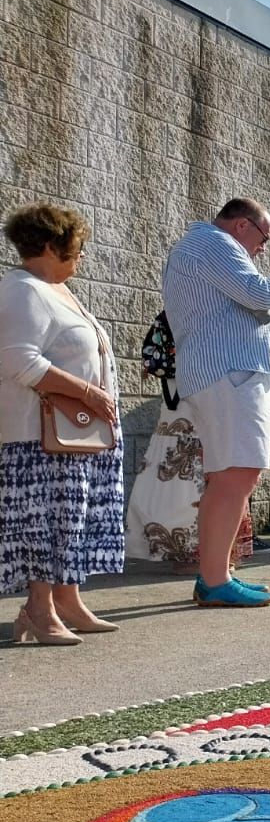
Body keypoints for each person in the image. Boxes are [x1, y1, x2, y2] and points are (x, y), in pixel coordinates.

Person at [162, 197, 270, 606]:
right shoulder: (214, 243)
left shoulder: (206, 246)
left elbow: (264, 305)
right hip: (230, 375)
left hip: (227, 374)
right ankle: (215, 580)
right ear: (242, 225)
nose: (263, 248)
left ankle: (216, 574)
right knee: (237, 475)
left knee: (230, 477)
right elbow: (258, 293)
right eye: (264, 238)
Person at [127, 280, 270, 572]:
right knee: (209, 476)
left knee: (192, 479)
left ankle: (204, 556)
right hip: (200, 402)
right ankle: (206, 558)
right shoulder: (208, 315)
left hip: (181, 403)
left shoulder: (176, 314)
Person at [1, 203, 125, 643]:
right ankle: (39, 609)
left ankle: (67, 601)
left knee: (71, 523)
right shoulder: (23, 290)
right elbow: (19, 360)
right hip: (39, 438)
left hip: (75, 433)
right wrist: (88, 393)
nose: (82, 255)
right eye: (77, 247)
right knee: (47, 525)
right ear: (51, 246)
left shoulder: (54, 289)